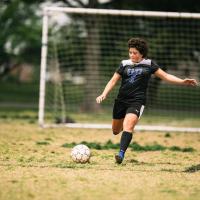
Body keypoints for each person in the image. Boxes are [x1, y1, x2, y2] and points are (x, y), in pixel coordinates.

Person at [96, 37, 198, 164]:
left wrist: (182, 81)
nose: (132, 55)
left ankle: (121, 154)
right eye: (130, 52)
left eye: (135, 53)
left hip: (137, 101)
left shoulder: (149, 64)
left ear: (142, 53)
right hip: (121, 101)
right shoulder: (124, 64)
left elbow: (166, 76)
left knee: (128, 126)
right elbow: (113, 81)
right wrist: (104, 94)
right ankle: (124, 133)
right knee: (116, 131)